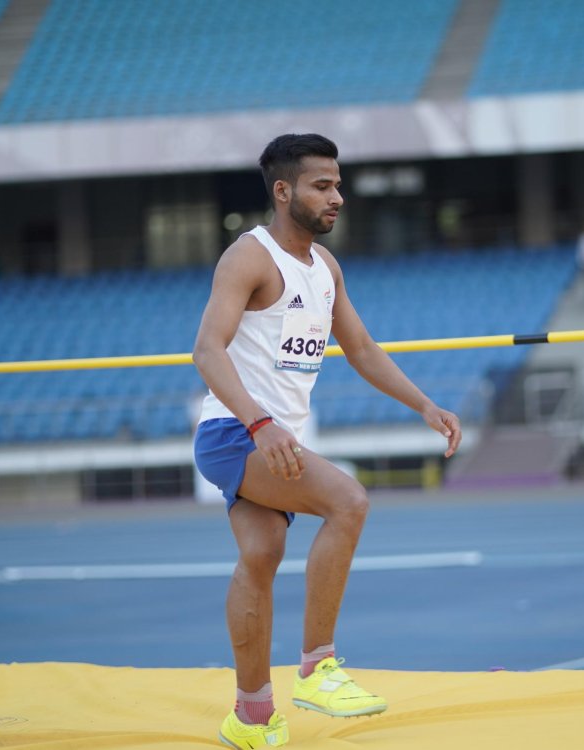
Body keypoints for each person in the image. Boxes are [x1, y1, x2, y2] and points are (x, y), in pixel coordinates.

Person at [192, 133, 462, 749]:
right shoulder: (249, 257)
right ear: (283, 191)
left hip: (269, 438)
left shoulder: (325, 268)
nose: (337, 196)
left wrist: (425, 405)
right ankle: (318, 667)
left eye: (338, 185)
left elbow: (360, 348)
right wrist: (260, 424)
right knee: (348, 501)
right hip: (234, 432)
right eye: (322, 186)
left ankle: (251, 716)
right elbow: (207, 350)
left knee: (260, 555)